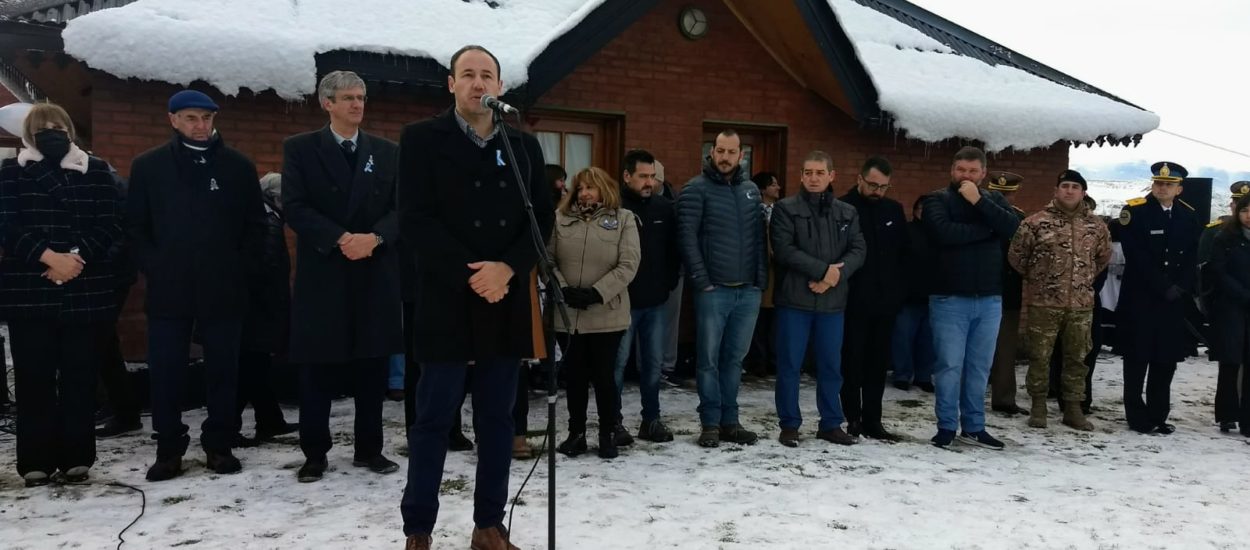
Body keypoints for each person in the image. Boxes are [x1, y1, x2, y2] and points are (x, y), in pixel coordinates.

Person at [398, 45, 553, 550]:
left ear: (500, 88)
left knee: (496, 418)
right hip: (446, 296)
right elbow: (416, 220)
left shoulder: (524, 146)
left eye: (487, 75)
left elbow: (541, 220)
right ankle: (418, 528)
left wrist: (508, 267)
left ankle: (489, 524)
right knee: (433, 419)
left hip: (503, 298)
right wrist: (472, 274)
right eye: (468, 74)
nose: (477, 83)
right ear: (451, 84)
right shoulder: (421, 139)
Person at [127, 90, 265, 480]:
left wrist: (240, 270)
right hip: (170, 287)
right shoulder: (149, 166)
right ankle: (169, 448)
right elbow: (135, 228)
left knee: (223, 368)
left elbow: (256, 228)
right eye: (191, 118)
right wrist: (155, 265)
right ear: (173, 119)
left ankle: (219, 443)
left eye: (206, 118)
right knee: (167, 370)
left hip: (224, 287)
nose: (200, 126)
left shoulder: (237, 166)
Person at [281, 70, 403, 482]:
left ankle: (370, 449)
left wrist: (376, 238)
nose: (357, 104)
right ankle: (314, 453)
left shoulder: (387, 152)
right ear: (327, 103)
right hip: (326, 273)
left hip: (373, 271)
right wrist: (339, 238)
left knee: (372, 367)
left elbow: (401, 208)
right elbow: (295, 206)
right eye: (348, 97)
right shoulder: (300, 149)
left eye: (362, 97)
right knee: (317, 371)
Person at [0, 102, 122, 486]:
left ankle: (76, 456)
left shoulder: (97, 170)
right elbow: (6, 223)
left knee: (80, 379)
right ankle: (34, 459)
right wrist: (47, 256)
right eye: (43, 126)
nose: (52, 130)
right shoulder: (10, 172)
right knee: (34, 379)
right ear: (29, 133)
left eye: (58, 124)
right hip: (30, 288)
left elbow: (111, 221)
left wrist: (75, 258)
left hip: (84, 286)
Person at [922, 146, 1019, 450]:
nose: (966, 175)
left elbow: (1013, 228)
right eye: (961, 170)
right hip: (950, 298)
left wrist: (979, 203)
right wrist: (987, 230)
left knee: (979, 367)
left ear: (983, 174)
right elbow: (944, 233)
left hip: (989, 299)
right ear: (952, 170)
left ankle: (974, 427)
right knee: (950, 366)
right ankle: (947, 426)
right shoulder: (937, 200)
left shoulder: (993, 200)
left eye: (972, 171)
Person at [676, 129, 767, 447]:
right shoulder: (695, 189)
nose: (725, 157)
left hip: (747, 291)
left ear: (740, 154)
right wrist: (702, 282)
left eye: (731, 152)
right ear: (711, 152)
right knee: (709, 361)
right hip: (714, 291)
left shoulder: (752, 191)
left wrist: (759, 283)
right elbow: (686, 238)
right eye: (720, 151)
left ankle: (731, 421)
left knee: (734, 361)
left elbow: (759, 240)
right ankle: (710, 423)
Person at [770, 151, 866, 447]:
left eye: (819, 173)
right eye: (808, 172)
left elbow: (858, 249)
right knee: (789, 365)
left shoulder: (846, 212)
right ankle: (789, 424)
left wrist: (836, 276)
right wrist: (825, 271)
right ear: (800, 176)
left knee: (830, 366)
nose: (813, 178)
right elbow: (784, 250)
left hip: (832, 304)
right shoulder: (786, 209)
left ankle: (830, 423)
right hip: (794, 301)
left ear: (831, 176)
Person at [1007, 170, 1110, 431]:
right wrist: (1040, 279)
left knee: (1077, 358)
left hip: (1080, 305)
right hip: (1044, 302)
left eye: (1075, 186)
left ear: (1083, 193)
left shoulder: (1096, 226)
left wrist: (1080, 280)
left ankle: (1073, 408)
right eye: (1064, 185)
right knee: (1040, 356)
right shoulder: (1035, 222)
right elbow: (1017, 256)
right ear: (1056, 190)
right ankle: (1038, 406)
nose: (1069, 190)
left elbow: (1102, 258)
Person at [551, 167, 640, 458]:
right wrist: (562, 288)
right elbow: (547, 259)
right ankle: (576, 433)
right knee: (574, 376)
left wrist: (597, 292)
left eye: (592, 187)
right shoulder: (559, 219)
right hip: (569, 315)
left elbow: (629, 263)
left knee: (604, 376)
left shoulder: (623, 219)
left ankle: (607, 433)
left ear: (605, 189)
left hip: (606, 313)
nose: (586, 193)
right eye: (581, 188)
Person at [1116, 162, 1200, 434]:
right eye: (1158, 183)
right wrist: (1162, 285)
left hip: (1172, 301)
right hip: (1142, 297)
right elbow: (1136, 254)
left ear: (1179, 189)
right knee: (1137, 357)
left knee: (1165, 359)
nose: (1162, 188)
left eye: (1168, 184)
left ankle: (1158, 414)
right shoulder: (1135, 211)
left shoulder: (1187, 216)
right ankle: (1137, 417)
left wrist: (1181, 287)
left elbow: (1191, 257)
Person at [840, 156, 907, 441]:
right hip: (852, 301)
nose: (877, 191)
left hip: (885, 303)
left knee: (878, 365)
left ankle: (873, 420)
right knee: (852, 363)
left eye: (883, 186)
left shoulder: (894, 210)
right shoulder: (843, 208)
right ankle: (852, 418)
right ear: (859, 179)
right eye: (872, 184)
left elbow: (904, 254)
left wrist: (898, 294)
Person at [614, 149, 679, 442]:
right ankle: (612, 421)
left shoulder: (664, 208)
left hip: (655, 300)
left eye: (652, 176)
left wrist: (666, 284)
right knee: (616, 365)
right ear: (627, 176)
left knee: (653, 365)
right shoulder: (613, 207)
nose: (648, 182)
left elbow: (673, 251)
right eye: (643, 176)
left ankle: (651, 419)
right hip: (620, 302)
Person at [234, 172, 298, 447]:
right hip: (257, 312)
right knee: (249, 370)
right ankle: (227, 428)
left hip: (252, 311)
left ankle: (270, 420)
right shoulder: (268, 223)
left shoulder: (261, 217)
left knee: (256, 368)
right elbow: (265, 272)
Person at [985, 171, 1029, 415]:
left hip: (1008, 290)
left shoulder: (1019, 218)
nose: (1002, 198)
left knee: (1005, 349)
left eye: (1006, 194)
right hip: (979, 288)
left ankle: (1003, 398)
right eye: (997, 194)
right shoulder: (977, 213)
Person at [1207, 193, 1250, 436]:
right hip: (1231, 307)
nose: (1249, 216)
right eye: (1245, 210)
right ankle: (1226, 415)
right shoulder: (1224, 237)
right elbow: (1218, 271)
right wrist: (1243, 294)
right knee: (1230, 362)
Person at [891, 197, 937, 392]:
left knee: (929, 341)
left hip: (934, 297)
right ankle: (902, 374)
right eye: (922, 209)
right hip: (907, 296)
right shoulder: (906, 231)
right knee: (903, 339)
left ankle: (924, 376)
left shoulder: (940, 234)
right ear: (915, 210)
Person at [746, 171, 781, 377]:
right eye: (773, 183)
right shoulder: (753, 211)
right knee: (758, 321)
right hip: (757, 273)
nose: (778, 187)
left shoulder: (781, 211)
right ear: (762, 188)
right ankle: (757, 361)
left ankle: (771, 360)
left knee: (773, 320)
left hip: (776, 273)